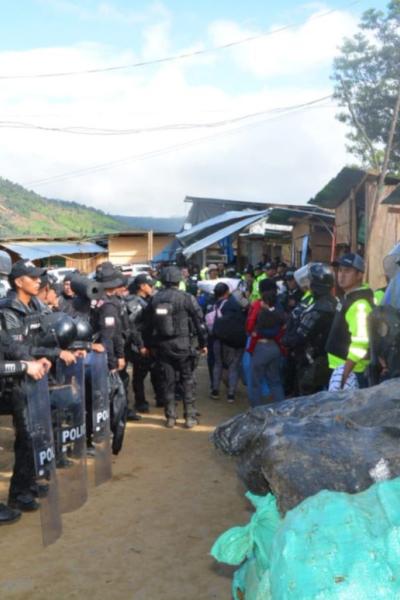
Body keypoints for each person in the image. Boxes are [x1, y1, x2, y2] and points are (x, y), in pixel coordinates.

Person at [148, 266, 207, 429]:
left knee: (168, 381)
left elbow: (147, 324)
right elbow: (199, 323)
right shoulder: (187, 298)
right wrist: (203, 344)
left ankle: (170, 417)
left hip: (163, 346)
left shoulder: (155, 298)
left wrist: (150, 345)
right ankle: (189, 417)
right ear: (178, 280)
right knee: (187, 380)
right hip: (184, 346)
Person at [283, 263, 337, 394]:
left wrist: (286, 340)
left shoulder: (319, 308)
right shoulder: (333, 301)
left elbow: (300, 336)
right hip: (324, 358)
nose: (307, 284)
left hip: (313, 360)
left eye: (310, 281)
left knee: (306, 395)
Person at [326, 253, 374, 389]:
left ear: (359, 275)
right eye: (340, 270)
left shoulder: (359, 304)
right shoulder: (348, 297)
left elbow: (361, 342)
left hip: (352, 372)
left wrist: (344, 374)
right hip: (342, 369)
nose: (341, 275)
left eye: (347, 271)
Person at [125, 273, 164, 413]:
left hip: (152, 342)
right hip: (140, 344)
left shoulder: (150, 300)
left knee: (156, 371)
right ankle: (140, 402)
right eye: (150, 285)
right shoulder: (133, 302)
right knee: (139, 374)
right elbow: (133, 327)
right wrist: (141, 345)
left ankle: (160, 397)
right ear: (142, 286)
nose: (152, 287)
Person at [246, 279, 286, 404]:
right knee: (275, 381)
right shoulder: (280, 308)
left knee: (255, 382)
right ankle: (281, 408)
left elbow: (250, 325)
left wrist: (254, 333)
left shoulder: (261, 310)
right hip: (276, 347)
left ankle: (256, 410)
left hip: (261, 347)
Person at [209, 283, 245, 402]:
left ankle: (215, 391)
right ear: (227, 292)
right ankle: (231, 394)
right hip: (235, 341)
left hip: (218, 339)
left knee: (218, 364)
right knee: (234, 366)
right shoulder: (234, 304)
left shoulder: (213, 305)